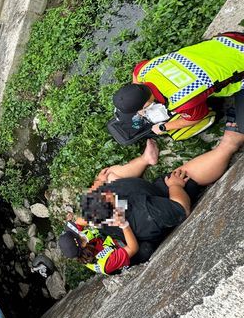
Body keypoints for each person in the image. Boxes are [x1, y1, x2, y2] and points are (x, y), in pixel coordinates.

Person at [60, 126, 244, 275]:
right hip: (140, 233)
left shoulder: (103, 206)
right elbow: (181, 210)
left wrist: (98, 183)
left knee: (111, 178)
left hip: (130, 212)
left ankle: (147, 159)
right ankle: (229, 145)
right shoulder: (109, 256)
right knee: (184, 179)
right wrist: (175, 187)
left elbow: (84, 215)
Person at [112, 33, 244, 137]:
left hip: (241, 64)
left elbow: (196, 118)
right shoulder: (144, 70)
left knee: (242, 126)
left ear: (146, 105)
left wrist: (164, 127)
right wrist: (137, 94)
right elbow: (136, 71)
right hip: (229, 41)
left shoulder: (181, 101)